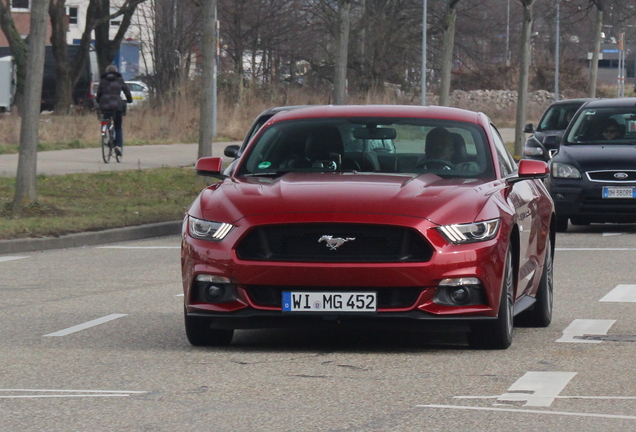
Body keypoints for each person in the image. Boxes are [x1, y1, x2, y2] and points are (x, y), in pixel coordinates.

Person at [97, 65, 133, 157]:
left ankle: (107, 136)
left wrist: (98, 101)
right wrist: (129, 100)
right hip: (117, 105)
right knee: (118, 126)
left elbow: (99, 93)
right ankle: (117, 145)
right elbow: (126, 91)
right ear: (116, 71)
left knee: (106, 121)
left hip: (104, 105)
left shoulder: (103, 80)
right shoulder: (119, 79)